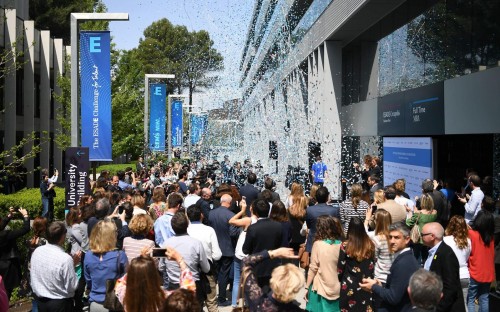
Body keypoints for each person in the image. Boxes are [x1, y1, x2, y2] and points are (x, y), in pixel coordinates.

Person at [360, 222, 420, 312]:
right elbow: (397, 289)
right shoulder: (404, 258)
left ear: (407, 239)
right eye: (390, 237)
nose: (392, 241)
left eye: (397, 238)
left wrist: (373, 287)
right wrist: (380, 286)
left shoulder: (404, 263)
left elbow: (393, 298)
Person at [114, 247, 195, 312]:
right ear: (154, 275)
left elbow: (123, 280)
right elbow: (189, 292)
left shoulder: (123, 294)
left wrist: (139, 264)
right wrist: (180, 260)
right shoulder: (165, 298)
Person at [160, 212, 210, 306]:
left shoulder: (166, 244)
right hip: (193, 286)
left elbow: (161, 267)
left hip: (173, 286)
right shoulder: (196, 243)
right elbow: (206, 268)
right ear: (187, 225)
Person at [31, 221, 80, 312]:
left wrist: (71, 264)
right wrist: (72, 266)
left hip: (41, 302)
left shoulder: (37, 251)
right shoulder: (65, 259)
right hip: (60, 304)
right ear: (62, 237)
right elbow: (72, 286)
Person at [84, 220, 128, 311]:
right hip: (115, 303)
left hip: (95, 303)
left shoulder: (88, 255)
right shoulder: (120, 255)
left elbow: (88, 280)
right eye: (115, 231)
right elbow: (126, 279)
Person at [421, 222, 465, 312]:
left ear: (432, 236)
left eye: (423, 235)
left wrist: (438, 308)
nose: (421, 237)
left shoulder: (446, 254)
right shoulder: (432, 252)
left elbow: (450, 287)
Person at [186, 205, 221, 312]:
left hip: (190, 271)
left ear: (187, 216)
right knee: (211, 303)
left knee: (195, 304)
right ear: (201, 215)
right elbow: (217, 255)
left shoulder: (185, 230)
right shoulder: (209, 230)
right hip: (208, 271)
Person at [304, 216, 343, 311]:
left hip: (320, 288)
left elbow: (313, 268)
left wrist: (306, 287)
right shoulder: (341, 245)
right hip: (337, 287)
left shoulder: (318, 244)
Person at [208, 193, 240, 306]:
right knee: (224, 274)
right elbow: (232, 233)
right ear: (229, 203)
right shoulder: (231, 215)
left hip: (213, 248)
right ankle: (221, 298)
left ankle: (211, 298)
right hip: (227, 248)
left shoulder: (211, 214)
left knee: (214, 274)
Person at [338, 217, 375, 311]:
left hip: (349, 283)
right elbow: (372, 264)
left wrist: (339, 279)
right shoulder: (370, 244)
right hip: (366, 283)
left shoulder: (345, 245)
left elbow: (340, 267)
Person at [467, 210, 495, 312]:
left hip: (475, 271)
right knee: (484, 298)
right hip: (488, 273)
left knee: (470, 299)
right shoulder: (491, 238)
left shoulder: (471, 234)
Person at [0, 207, 31, 299]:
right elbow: (25, 229)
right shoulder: (5, 235)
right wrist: (25, 216)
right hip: (7, 266)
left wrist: (9, 217)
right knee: (6, 291)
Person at [443, 215, 471, 308]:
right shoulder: (468, 241)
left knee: (450, 304)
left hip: (451, 274)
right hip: (464, 274)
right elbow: (467, 257)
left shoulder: (445, 240)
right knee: (464, 305)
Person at [305, 186, 340, 253]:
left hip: (313, 243)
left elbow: (309, 226)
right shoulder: (334, 211)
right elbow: (337, 227)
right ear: (327, 197)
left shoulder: (309, 210)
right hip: (329, 243)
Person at [364, 208, 394, 285]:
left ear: (376, 222)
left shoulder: (375, 237)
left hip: (380, 276)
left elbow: (364, 233)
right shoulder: (395, 236)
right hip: (393, 274)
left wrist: (367, 219)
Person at [406, 193, 437, 263]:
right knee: (426, 257)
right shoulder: (435, 212)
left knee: (415, 256)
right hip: (428, 237)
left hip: (419, 238)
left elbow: (408, 223)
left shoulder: (419, 213)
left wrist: (410, 212)